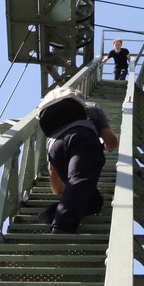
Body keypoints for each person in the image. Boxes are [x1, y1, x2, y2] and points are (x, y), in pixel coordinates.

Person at [39, 93, 118, 234]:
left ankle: (52, 212)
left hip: (54, 148)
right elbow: (111, 142)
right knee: (80, 179)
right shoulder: (91, 107)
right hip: (81, 136)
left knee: (94, 202)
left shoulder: (51, 126)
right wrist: (104, 147)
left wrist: (62, 193)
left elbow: (53, 172)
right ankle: (61, 227)